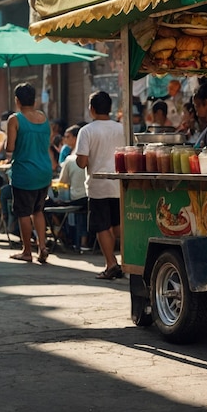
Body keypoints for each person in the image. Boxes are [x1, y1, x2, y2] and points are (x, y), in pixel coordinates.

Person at [76, 91, 126, 280]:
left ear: (92, 109)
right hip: (120, 184)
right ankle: (129, 261)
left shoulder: (87, 131)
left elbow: (81, 162)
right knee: (118, 225)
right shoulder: (122, 128)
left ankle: (111, 264)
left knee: (102, 226)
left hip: (98, 186)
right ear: (110, 108)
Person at [6, 83, 53, 264]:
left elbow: (10, 147)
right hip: (44, 171)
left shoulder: (15, 119)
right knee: (38, 210)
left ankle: (27, 251)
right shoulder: (43, 117)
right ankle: (42, 246)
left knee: (24, 213)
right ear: (34, 99)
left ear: (17, 100)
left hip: (25, 173)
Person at [56, 125, 88, 251]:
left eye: (68, 137)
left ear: (76, 138)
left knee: (55, 203)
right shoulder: (92, 156)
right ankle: (83, 241)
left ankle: (67, 236)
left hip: (77, 198)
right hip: (91, 196)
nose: (65, 139)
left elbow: (63, 181)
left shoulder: (70, 159)